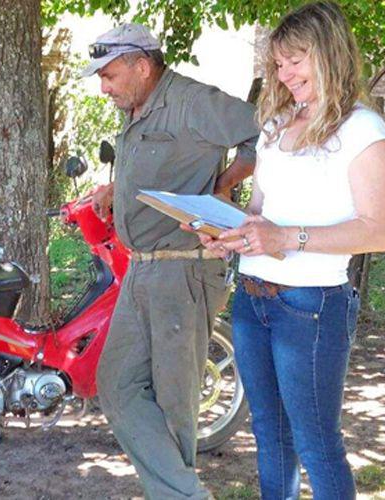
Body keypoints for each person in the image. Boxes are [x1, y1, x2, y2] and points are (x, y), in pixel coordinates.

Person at [193, 3, 385, 498]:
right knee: (270, 436)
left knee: (316, 443)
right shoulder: (276, 125)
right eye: (278, 65)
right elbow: (261, 213)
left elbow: (378, 232)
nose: (284, 75)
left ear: (329, 54)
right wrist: (228, 234)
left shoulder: (364, 131)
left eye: (296, 61)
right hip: (252, 297)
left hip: (310, 306)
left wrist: (287, 239)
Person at [82, 23, 260, 499]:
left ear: (142, 66)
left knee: (175, 402)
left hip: (184, 267)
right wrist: (114, 192)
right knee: (116, 385)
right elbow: (157, 169)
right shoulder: (137, 103)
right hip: (140, 266)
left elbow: (263, 133)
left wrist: (222, 186)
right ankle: (184, 493)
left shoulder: (191, 100)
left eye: (110, 75)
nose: (104, 87)